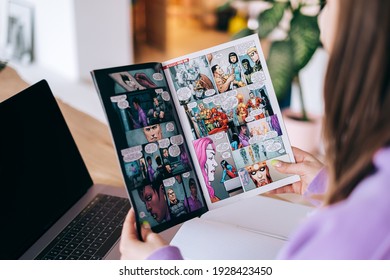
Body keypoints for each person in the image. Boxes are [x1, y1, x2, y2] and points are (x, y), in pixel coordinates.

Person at [120, 0, 390, 259]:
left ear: (364, 29)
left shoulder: (363, 231)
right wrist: (331, 189)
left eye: (330, 4)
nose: (320, 16)